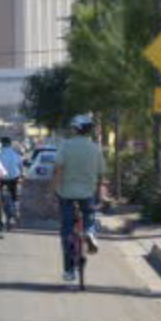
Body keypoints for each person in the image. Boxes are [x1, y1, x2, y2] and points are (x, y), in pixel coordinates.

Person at [52, 112, 107, 281]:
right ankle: (90, 232)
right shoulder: (95, 148)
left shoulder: (65, 146)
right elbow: (101, 175)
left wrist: (54, 191)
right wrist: (101, 194)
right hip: (88, 193)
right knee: (89, 215)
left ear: (75, 129)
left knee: (67, 230)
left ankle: (69, 271)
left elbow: (58, 170)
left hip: (66, 193)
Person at [0, 136, 25, 224]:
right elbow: (21, 167)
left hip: (2, 179)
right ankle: (16, 211)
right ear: (10, 144)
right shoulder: (16, 155)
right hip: (14, 178)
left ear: (2, 144)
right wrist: (22, 174)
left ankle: (1, 211)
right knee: (15, 195)